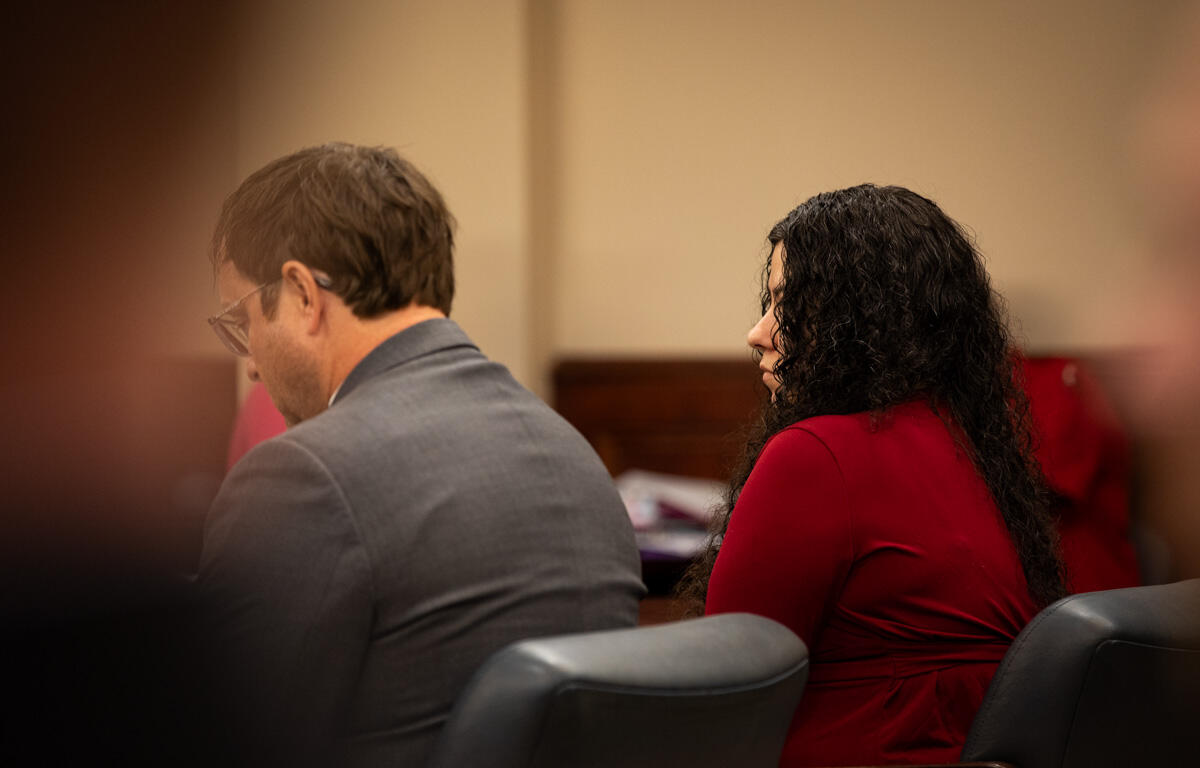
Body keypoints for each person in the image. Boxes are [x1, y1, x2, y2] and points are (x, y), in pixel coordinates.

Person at [198, 143, 644, 766]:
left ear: (302, 293)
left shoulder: (302, 475)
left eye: (244, 321)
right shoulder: (569, 449)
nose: (248, 363)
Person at [681, 184, 1066, 767]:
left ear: (855, 320)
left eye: (786, 305)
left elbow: (723, 690)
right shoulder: (971, 451)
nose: (758, 333)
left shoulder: (813, 455)